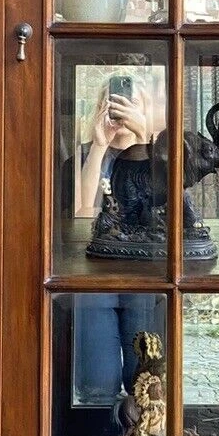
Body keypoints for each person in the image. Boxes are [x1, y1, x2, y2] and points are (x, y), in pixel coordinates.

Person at [72, 71, 165, 409]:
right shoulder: (83, 157)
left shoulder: (159, 157)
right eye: (111, 103)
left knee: (146, 379)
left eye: (131, 102)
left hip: (145, 277)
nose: (120, 110)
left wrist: (144, 138)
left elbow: (164, 208)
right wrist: (98, 147)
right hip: (94, 278)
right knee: (98, 379)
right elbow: (83, 217)